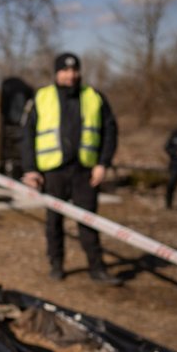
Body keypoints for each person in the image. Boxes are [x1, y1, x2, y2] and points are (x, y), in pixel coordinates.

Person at [20, 52, 122, 286]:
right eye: (65, 71)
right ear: (56, 73)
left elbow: (110, 131)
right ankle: (56, 264)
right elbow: (26, 135)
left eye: (74, 70)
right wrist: (31, 170)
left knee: (89, 221)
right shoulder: (41, 97)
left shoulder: (94, 97)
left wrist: (103, 163)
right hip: (53, 172)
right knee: (53, 221)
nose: (70, 75)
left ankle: (97, 268)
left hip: (85, 172)